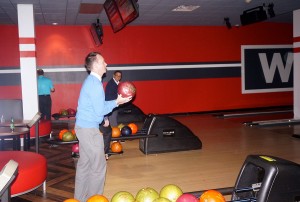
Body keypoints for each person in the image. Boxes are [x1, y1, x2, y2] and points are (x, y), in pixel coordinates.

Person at [74, 52, 131, 202]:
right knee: (98, 167)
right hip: (89, 131)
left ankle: (79, 198)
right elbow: (100, 110)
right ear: (96, 65)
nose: (106, 64)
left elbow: (97, 108)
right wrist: (117, 102)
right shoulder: (95, 84)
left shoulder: (92, 81)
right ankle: (94, 199)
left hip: (83, 127)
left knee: (84, 165)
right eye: (103, 62)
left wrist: (107, 113)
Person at [100, 70, 122, 159]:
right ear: (114, 75)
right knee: (113, 124)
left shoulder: (117, 83)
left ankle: (113, 141)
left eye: (120, 76)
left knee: (113, 123)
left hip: (113, 106)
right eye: (117, 75)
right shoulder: (111, 84)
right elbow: (108, 97)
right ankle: (114, 141)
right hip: (111, 107)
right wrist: (116, 101)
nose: (118, 77)